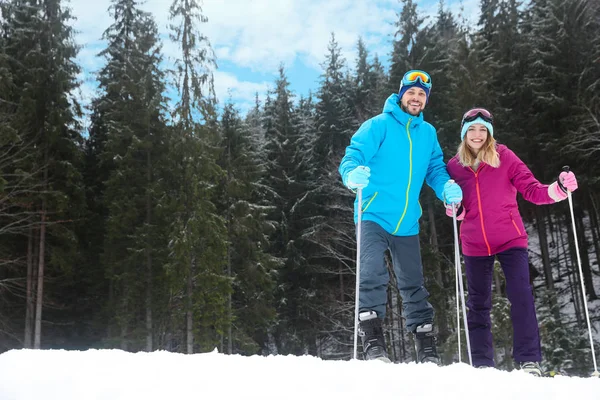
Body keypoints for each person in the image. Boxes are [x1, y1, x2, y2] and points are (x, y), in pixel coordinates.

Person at [339, 70, 463, 363]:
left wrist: (446, 187)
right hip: (373, 213)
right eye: (412, 92)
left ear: (426, 100)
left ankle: (425, 342)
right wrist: (350, 175)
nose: (416, 98)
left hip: (407, 219)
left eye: (422, 94)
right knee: (370, 272)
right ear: (401, 94)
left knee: (412, 281)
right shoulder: (378, 126)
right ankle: (372, 339)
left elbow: (434, 168)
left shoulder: (428, 133)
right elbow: (352, 156)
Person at [445, 107, 578, 376]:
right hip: (475, 244)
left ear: (490, 133)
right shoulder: (453, 166)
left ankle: (529, 361)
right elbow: (455, 205)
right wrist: (454, 209)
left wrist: (559, 189)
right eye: (472, 129)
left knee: (521, 295)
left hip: (510, 239)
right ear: (464, 133)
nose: (477, 134)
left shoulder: (504, 157)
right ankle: (482, 365)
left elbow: (532, 190)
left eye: (483, 129)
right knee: (478, 304)